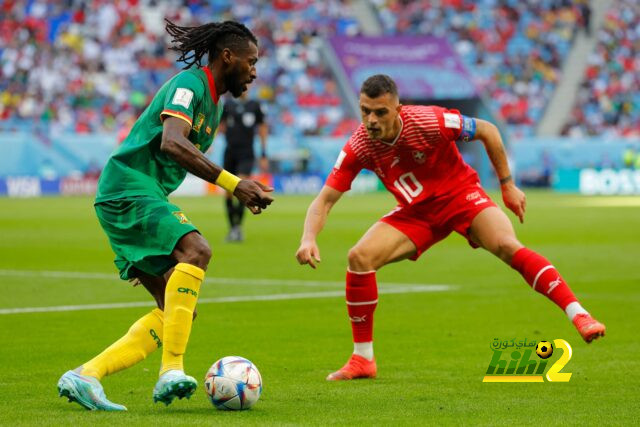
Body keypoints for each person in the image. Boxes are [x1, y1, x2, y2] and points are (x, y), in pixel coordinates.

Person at [295, 74, 605, 381]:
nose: (371, 120)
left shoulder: (430, 122)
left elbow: (488, 130)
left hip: (461, 197)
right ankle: (363, 359)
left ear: (398, 109)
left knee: (507, 246)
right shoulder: (359, 146)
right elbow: (323, 201)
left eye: (380, 112)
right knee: (359, 258)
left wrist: (507, 185)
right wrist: (308, 238)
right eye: (365, 111)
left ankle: (579, 314)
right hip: (416, 213)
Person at [57, 19, 274, 410]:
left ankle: (86, 376)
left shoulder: (214, 102)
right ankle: (171, 370)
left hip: (137, 193)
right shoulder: (190, 85)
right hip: (129, 186)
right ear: (228, 57)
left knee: (177, 312)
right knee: (198, 250)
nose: (255, 71)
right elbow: (172, 143)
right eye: (251, 61)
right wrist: (234, 183)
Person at [219, 91, 269, 242]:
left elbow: (262, 128)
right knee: (228, 192)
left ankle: (238, 228)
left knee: (241, 186)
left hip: (246, 153)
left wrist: (264, 153)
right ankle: (232, 228)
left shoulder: (255, 106)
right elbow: (221, 125)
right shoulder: (228, 105)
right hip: (230, 152)